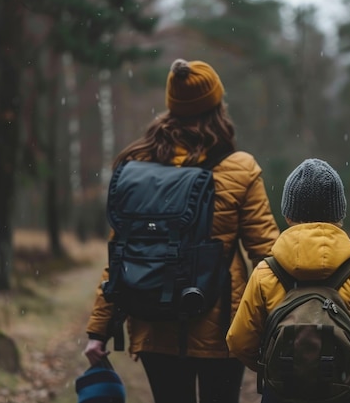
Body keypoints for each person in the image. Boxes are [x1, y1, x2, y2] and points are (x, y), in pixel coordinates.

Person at [84, 58, 280, 403]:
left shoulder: (137, 167)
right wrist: (283, 323)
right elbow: (266, 254)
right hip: (220, 325)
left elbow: (120, 255)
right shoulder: (239, 168)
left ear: (172, 107)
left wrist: (99, 330)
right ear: (218, 107)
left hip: (152, 319)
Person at [226, 158, 350, 403]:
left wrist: (279, 368)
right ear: (339, 214)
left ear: (288, 214)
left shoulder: (266, 273)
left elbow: (238, 341)